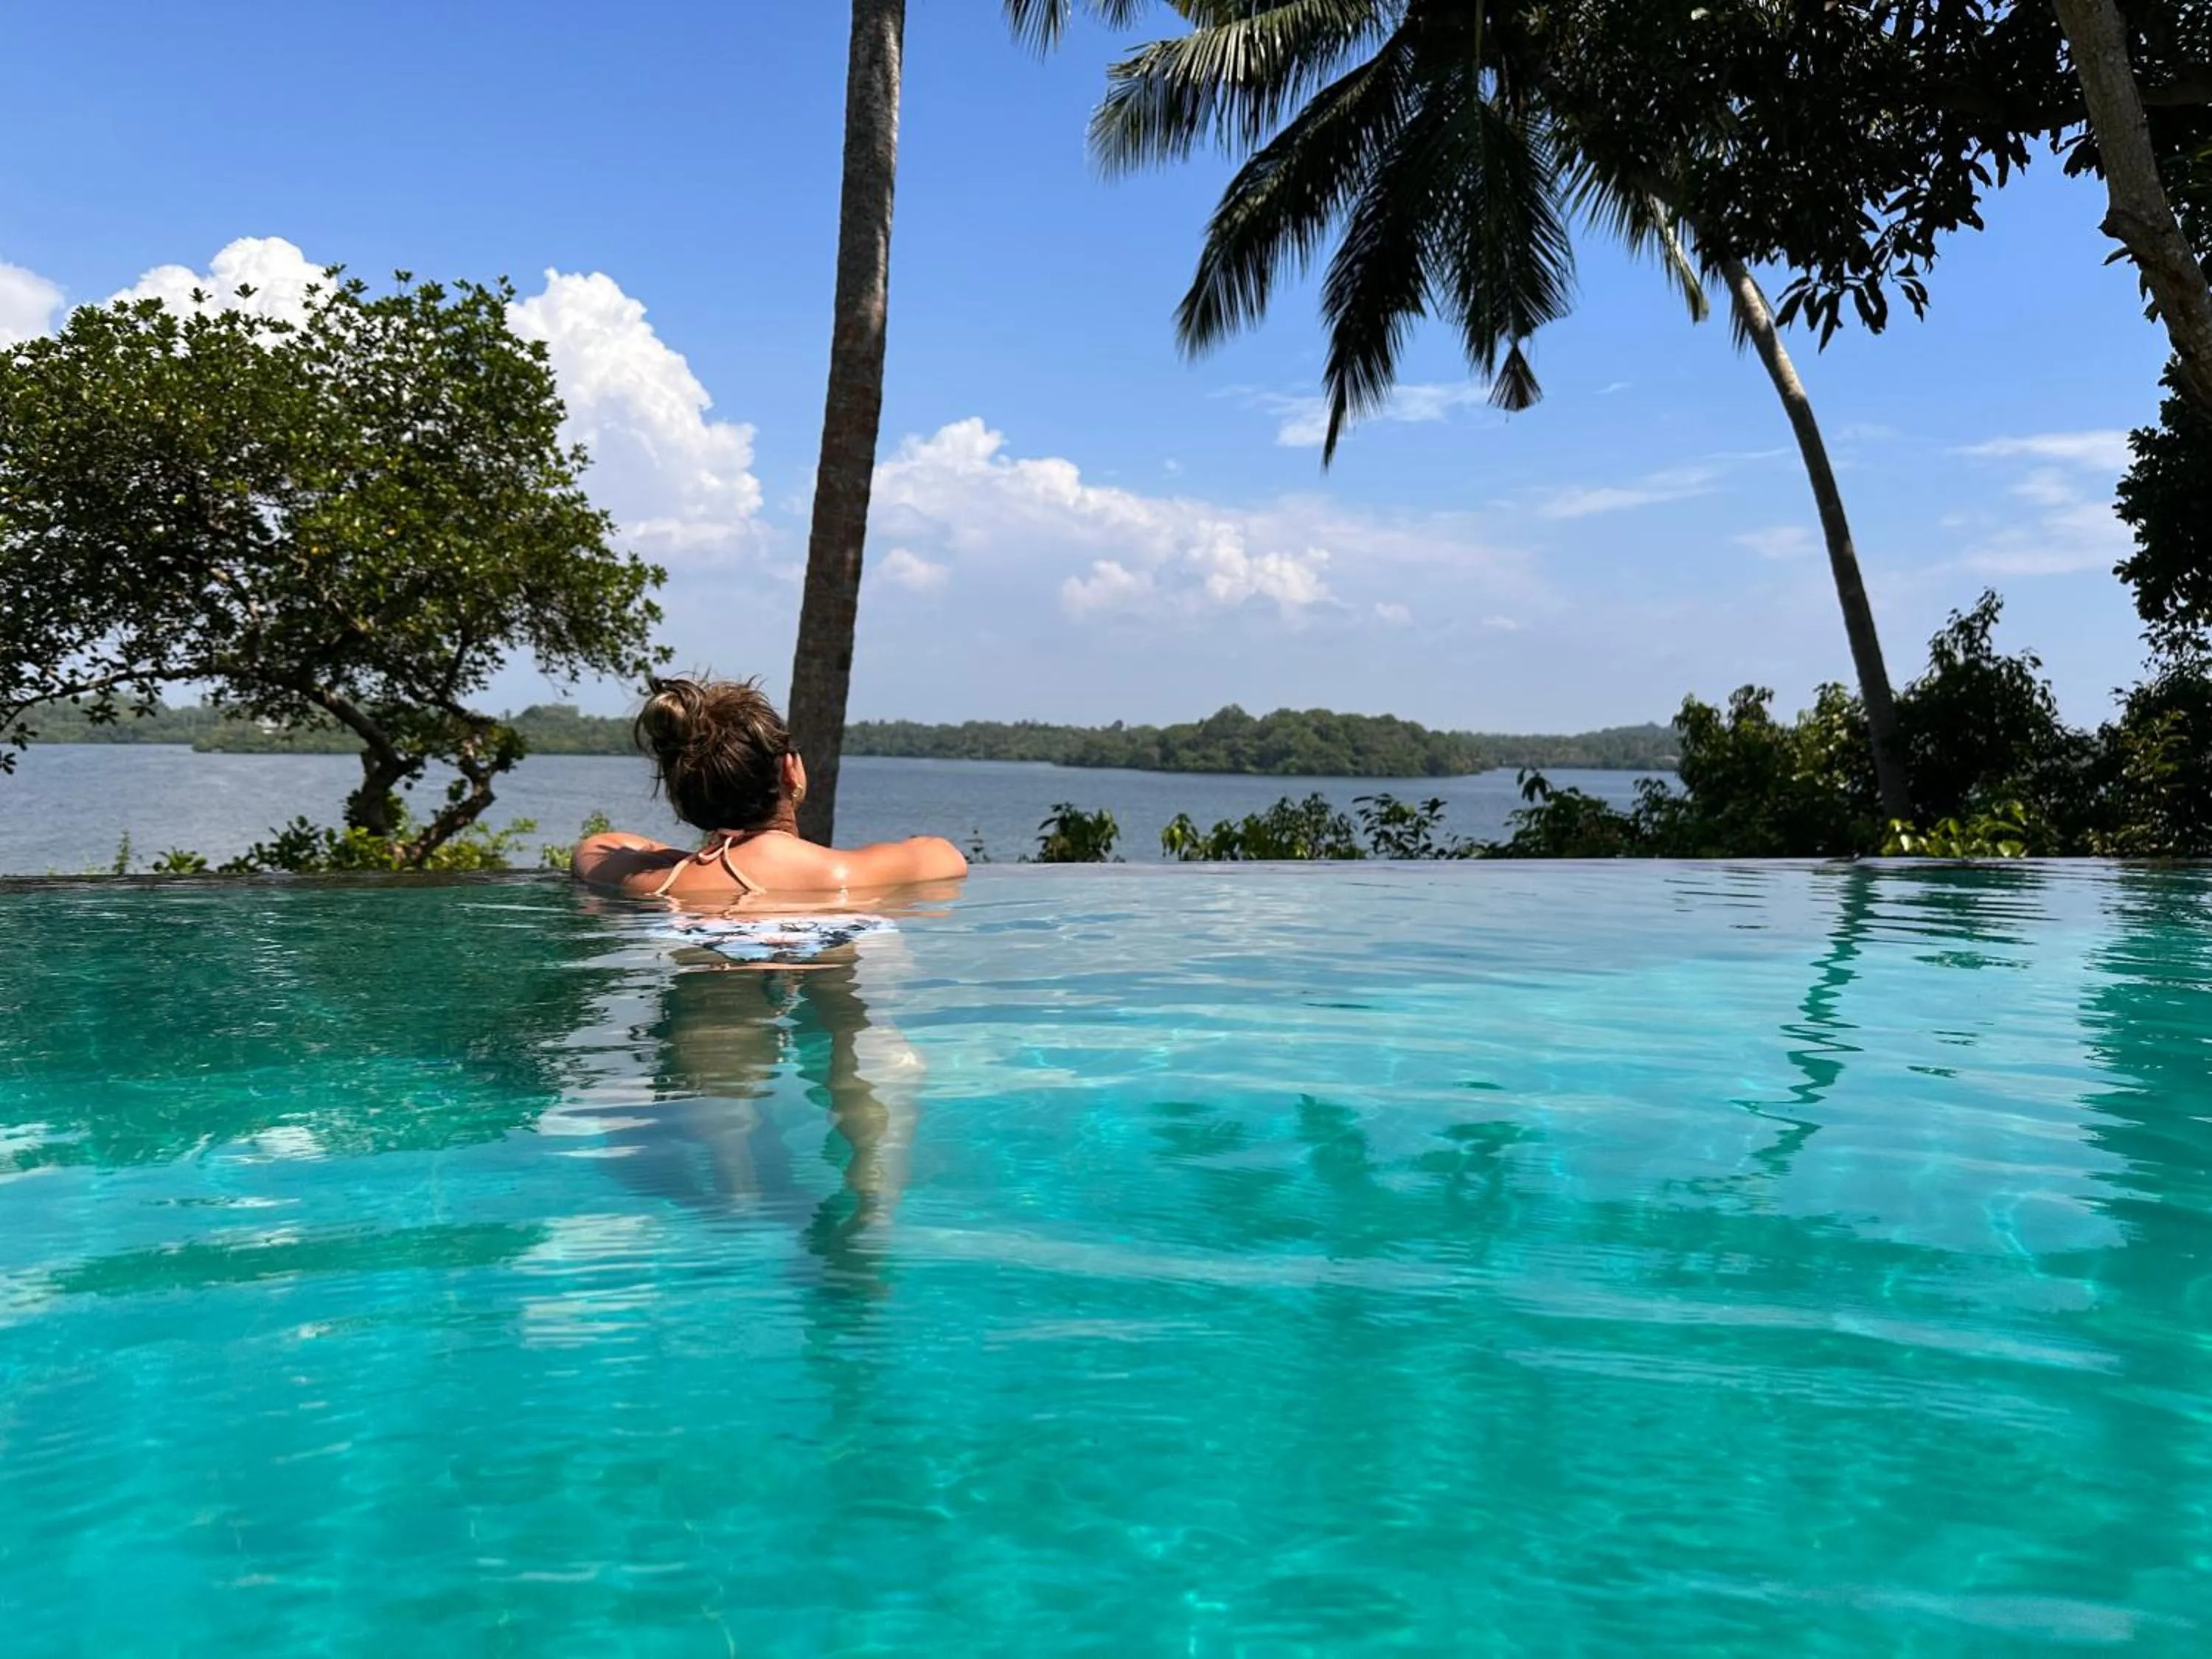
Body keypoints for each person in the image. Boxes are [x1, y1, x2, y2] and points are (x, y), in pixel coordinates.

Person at [571, 676, 968, 899]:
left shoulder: (658, 885)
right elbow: (945, 855)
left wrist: (690, 860)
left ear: (686, 794)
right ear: (791, 770)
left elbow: (595, 847)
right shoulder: (847, 875)